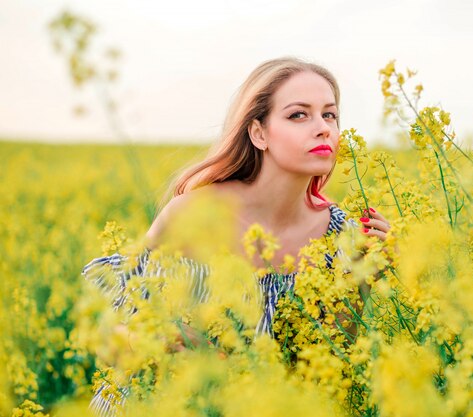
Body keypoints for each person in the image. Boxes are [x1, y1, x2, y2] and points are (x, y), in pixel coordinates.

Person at [82, 56, 391, 417]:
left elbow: (326, 364)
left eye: (330, 115)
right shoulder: (195, 214)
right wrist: (155, 340)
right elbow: (106, 332)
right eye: (298, 115)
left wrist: (365, 277)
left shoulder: (341, 234)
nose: (323, 128)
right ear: (258, 133)